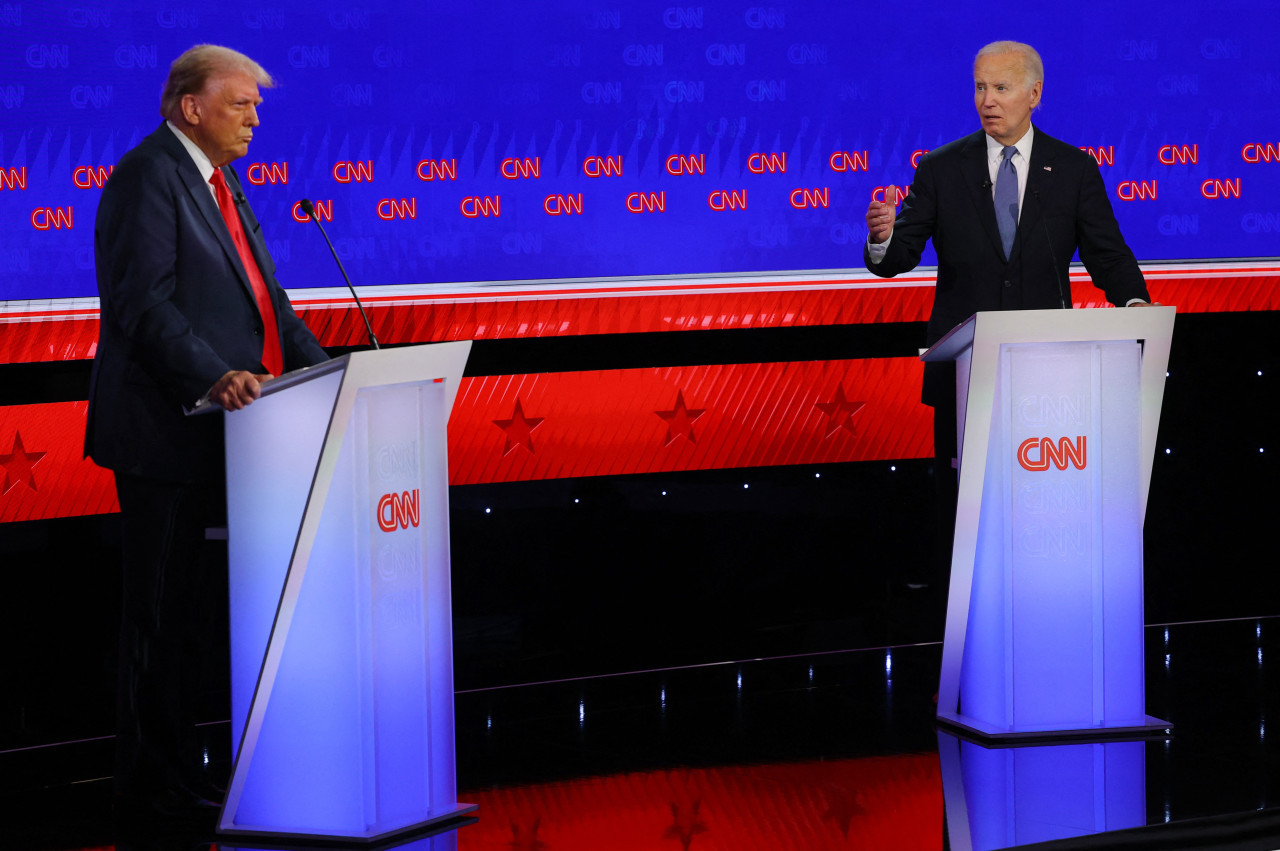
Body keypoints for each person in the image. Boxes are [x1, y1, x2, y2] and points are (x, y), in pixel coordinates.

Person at [85, 44, 329, 817]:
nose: (255, 118)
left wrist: (334, 378)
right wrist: (210, 375)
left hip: (233, 436)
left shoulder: (221, 183)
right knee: (159, 614)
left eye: (257, 106)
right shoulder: (148, 175)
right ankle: (150, 785)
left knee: (196, 616)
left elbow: (271, 305)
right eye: (241, 104)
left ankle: (191, 771)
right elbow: (143, 304)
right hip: (166, 434)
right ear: (191, 106)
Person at [863, 40, 1153, 602]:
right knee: (967, 507)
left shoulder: (1071, 170)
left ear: (1034, 94)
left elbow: (1107, 255)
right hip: (965, 375)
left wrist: (1136, 307)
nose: (986, 100)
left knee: (1041, 502)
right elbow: (898, 260)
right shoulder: (942, 169)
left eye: (1000, 88)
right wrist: (881, 238)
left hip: (1050, 380)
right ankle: (971, 607)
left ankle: (1047, 594)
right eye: (979, 87)